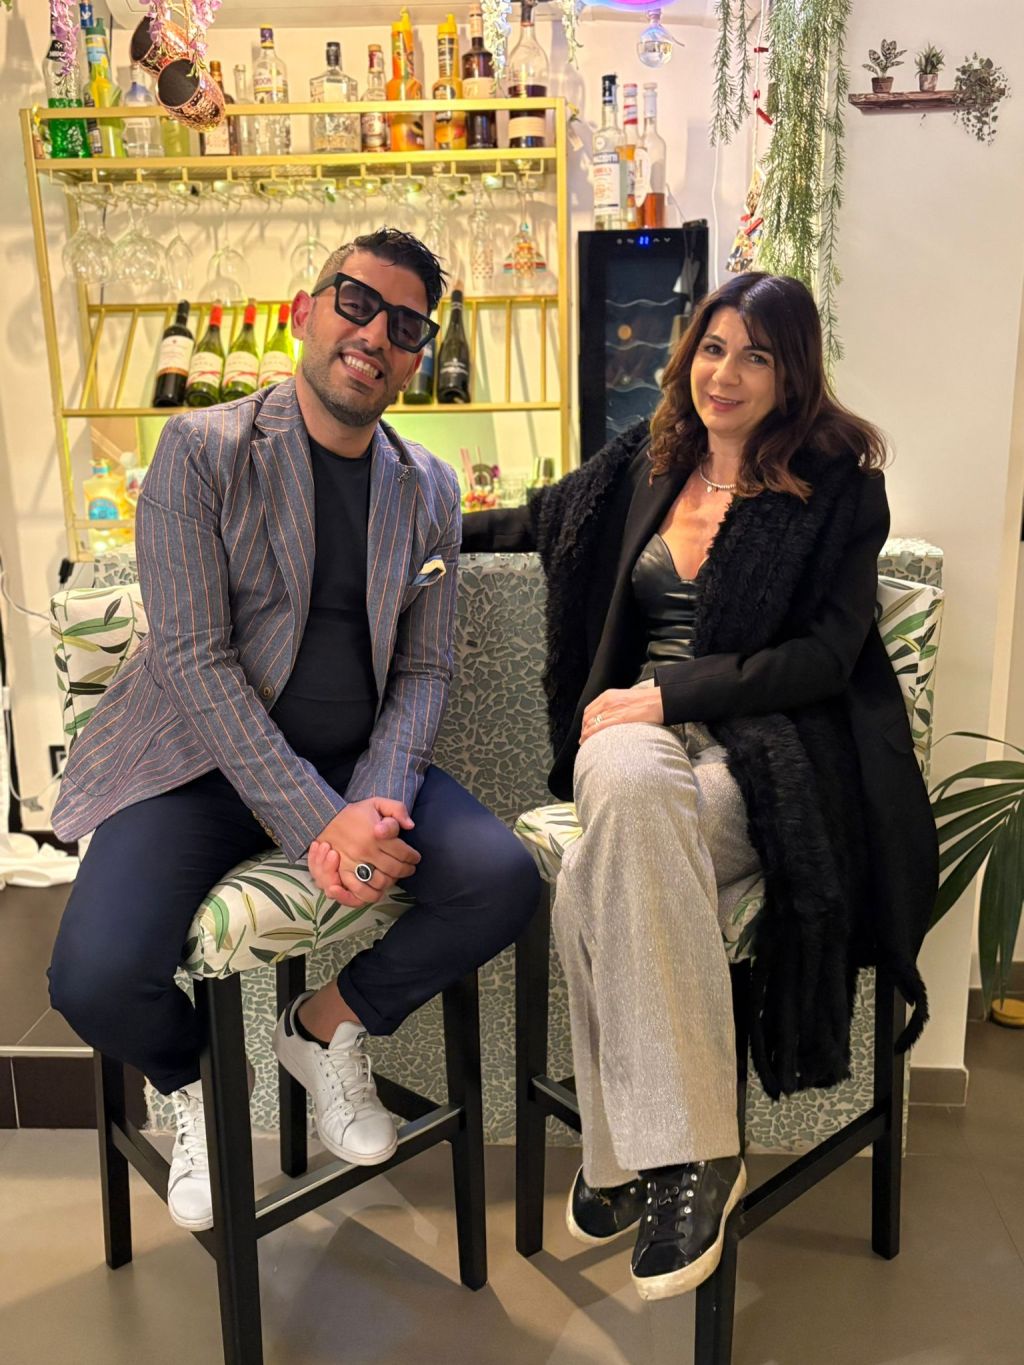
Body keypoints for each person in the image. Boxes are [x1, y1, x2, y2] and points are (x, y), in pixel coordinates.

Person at [457, 273, 938, 1302]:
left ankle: (623, 1149)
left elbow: (825, 655)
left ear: (791, 374)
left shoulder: (838, 487)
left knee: (600, 868)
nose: (726, 374)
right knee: (627, 784)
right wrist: (417, 524)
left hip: (772, 753)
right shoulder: (647, 459)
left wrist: (672, 692)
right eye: (714, 347)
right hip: (627, 734)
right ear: (688, 356)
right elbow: (540, 521)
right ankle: (697, 1155)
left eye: (756, 356)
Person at [49, 228, 539, 1232]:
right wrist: (324, 824)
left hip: (357, 764)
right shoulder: (201, 451)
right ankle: (191, 1082)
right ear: (305, 312)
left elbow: (424, 668)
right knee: (91, 979)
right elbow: (195, 660)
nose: (376, 336)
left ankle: (324, 1027)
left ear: (417, 356)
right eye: (357, 303)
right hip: (195, 768)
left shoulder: (429, 486)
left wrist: (375, 797)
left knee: (502, 879)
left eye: (406, 326)